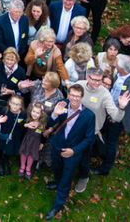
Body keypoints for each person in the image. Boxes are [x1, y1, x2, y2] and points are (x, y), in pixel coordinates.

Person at [44, 84, 95, 220]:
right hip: (57, 146)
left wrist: (74, 151)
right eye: (72, 95)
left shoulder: (89, 115)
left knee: (67, 178)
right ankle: (57, 182)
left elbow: (89, 139)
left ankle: (57, 205)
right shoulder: (62, 104)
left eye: (77, 96)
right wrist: (55, 114)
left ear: (82, 97)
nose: (74, 98)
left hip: (72, 152)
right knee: (56, 169)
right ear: (68, 95)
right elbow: (49, 124)